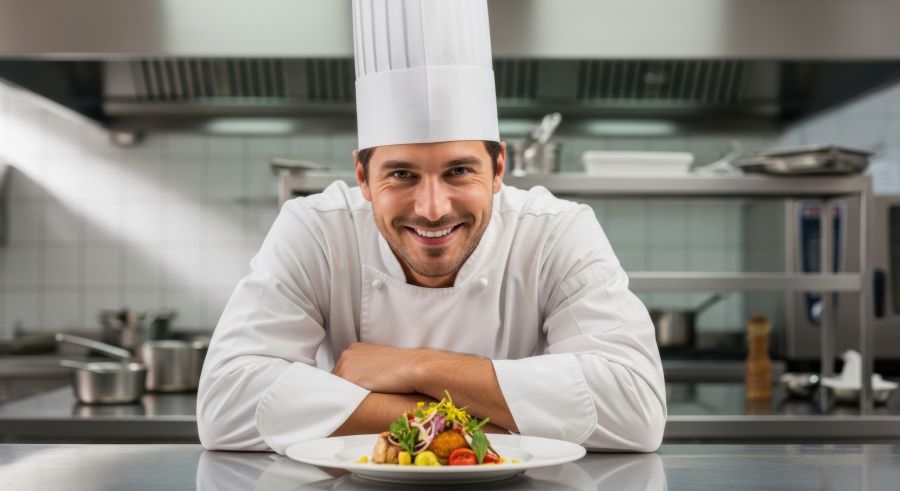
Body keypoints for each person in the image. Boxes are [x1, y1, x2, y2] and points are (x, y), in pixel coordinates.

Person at [197, 0, 666, 454]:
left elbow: (636, 408)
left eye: (459, 171)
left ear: (499, 167)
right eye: (402, 174)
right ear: (362, 177)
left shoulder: (555, 233)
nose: (433, 208)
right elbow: (225, 404)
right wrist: (478, 421)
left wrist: (411, 365)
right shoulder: (317, 231)